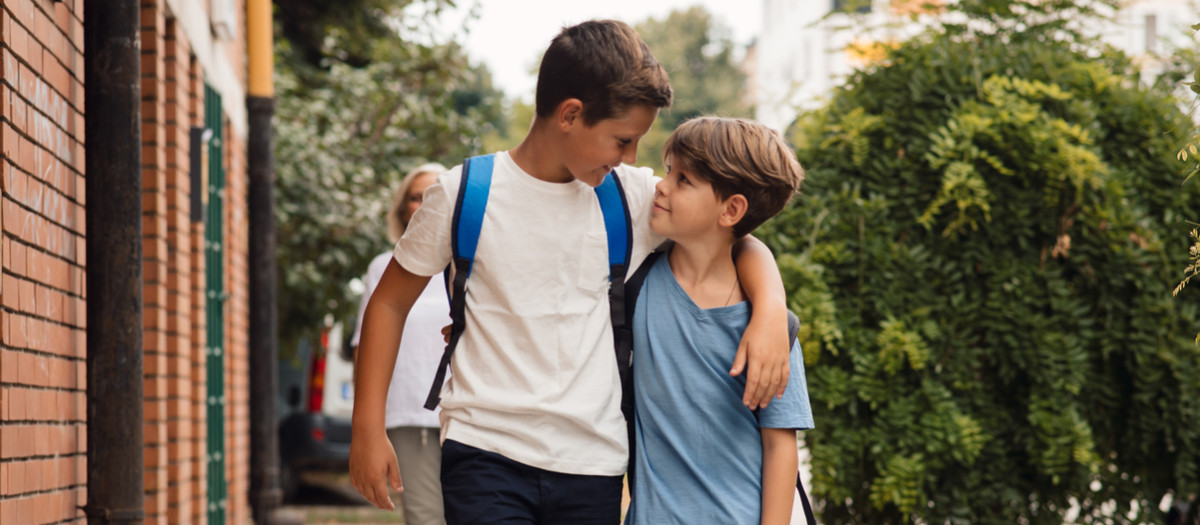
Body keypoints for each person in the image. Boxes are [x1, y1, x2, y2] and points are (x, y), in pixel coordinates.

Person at [350, 20, 794, 524]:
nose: (631, 158)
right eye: (622, 140)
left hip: (592, 460)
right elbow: (388, 302)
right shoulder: (463, 193)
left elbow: (733, 237)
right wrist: (367, 426)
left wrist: (771, 313)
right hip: (483, 448)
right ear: (570, 115)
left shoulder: (629, 196)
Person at [624, 116, 813, 525]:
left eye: (683, 180)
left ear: (731, 209)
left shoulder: (771, 330)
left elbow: (780, 447)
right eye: (669, 170)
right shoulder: (637, 287)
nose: (661, 184)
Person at [349, 163, 449, 525]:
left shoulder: (470, 265)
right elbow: (364, 345)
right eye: (415, 197)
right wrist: (366, 428)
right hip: (411, 417)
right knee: (427, 519)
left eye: (434, 195)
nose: (424, 204)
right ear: (402, 208)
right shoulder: (384, 267)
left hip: (470, 416)